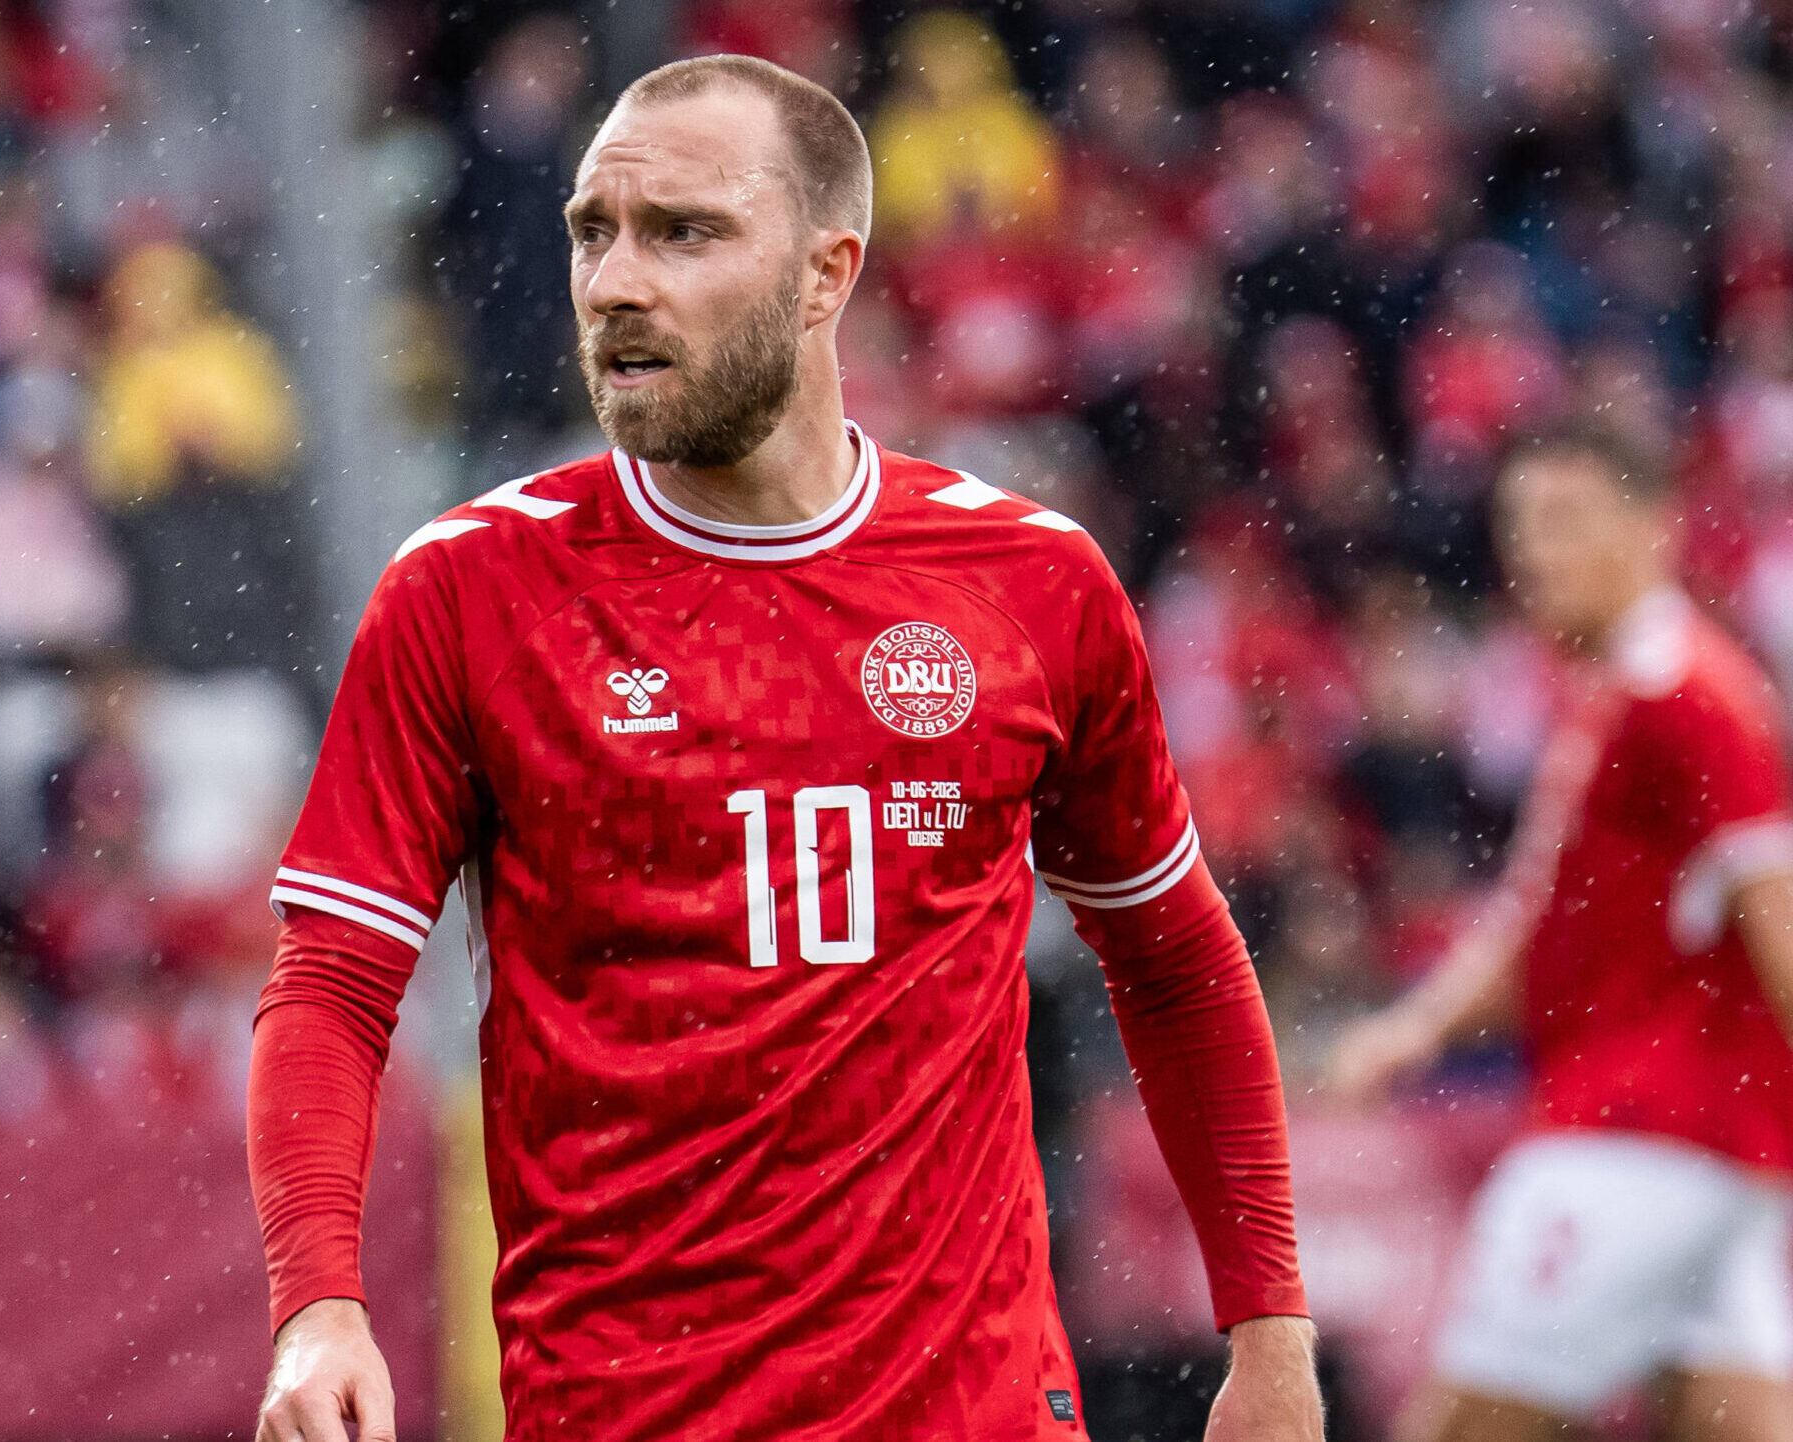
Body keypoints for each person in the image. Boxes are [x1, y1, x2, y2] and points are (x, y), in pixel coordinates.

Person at [248, 55, 1320, 1441]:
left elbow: (1173, 959)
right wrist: (317, 1301)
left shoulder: (1029, 583)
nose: (616, 280)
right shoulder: (472, 591)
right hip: (629, 1411)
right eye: (594, 231)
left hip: (978, 1412)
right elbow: (331, 982)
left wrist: (1272, 1329)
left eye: (684, 232)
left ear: (827, 275)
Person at [1329, 430, 1793, 1442]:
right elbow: (1544, 921)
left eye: (1566, 519)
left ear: (1656, 526)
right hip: (1705, 1146)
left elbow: (1777, 910)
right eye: (1518, 524)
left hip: (1634, 1137)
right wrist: (1416, 1029)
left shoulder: (1691, 696)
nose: (1534, 551)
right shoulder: (1619, 695)